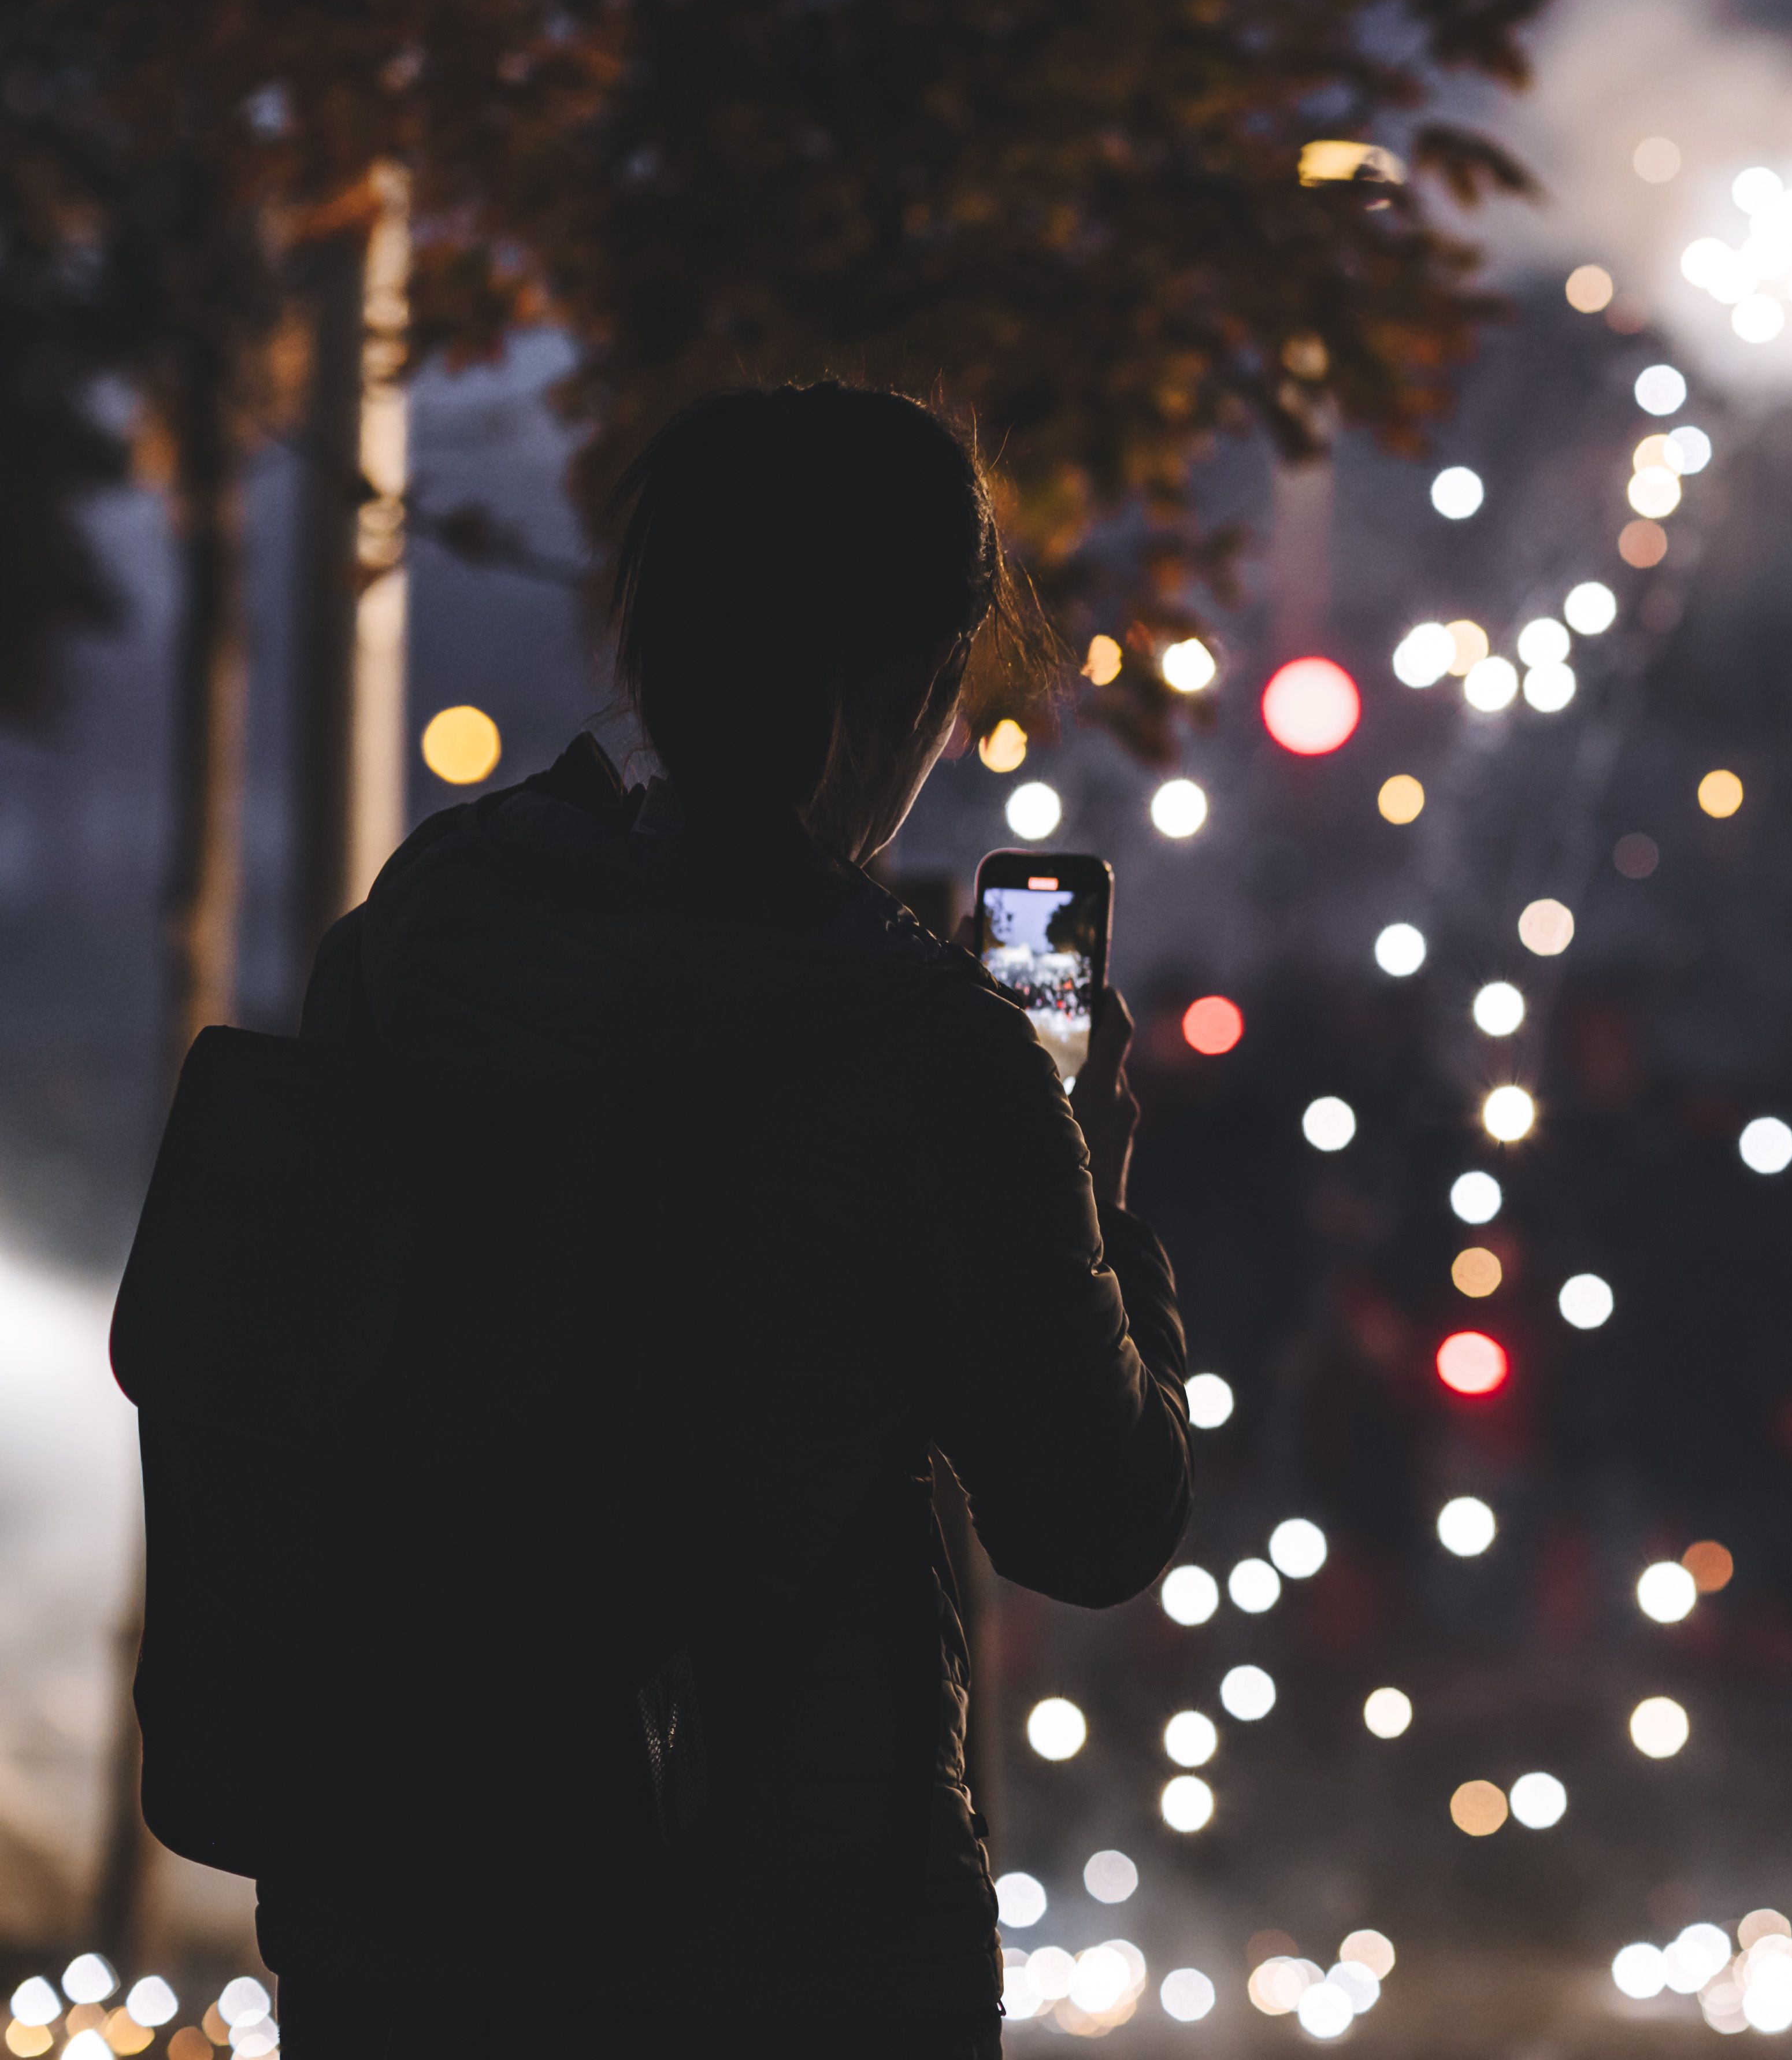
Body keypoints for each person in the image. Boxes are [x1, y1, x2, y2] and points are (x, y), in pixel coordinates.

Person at [263, 385, 1192, 2055]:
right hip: (777, 1943)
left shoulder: (421, 957)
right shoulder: (928, 1063)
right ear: (916, 678)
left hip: (393, 1902)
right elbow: (1092, 1516)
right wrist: (1096, 1199)